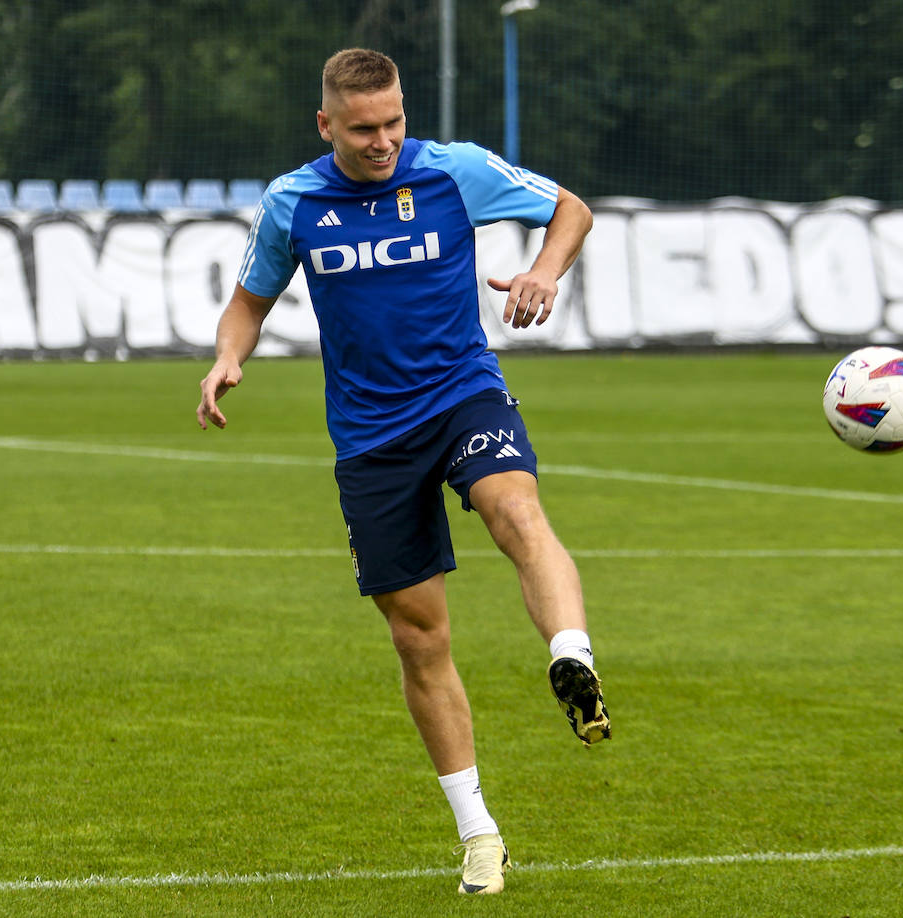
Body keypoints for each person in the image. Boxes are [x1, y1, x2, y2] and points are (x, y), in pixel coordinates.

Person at [196, 48, 608, 896]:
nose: (382, 142)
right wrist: (227, 359)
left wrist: (541, 270)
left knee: (516, 513)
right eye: (362, 130)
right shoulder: (294, 200)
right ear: (325, 126)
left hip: (464, 394)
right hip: (371, 438)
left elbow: (571, 208)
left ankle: (573, 657)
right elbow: (251, 299)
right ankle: (479, 833)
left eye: (393, 123)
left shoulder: (452, 171)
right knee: (420, 637)